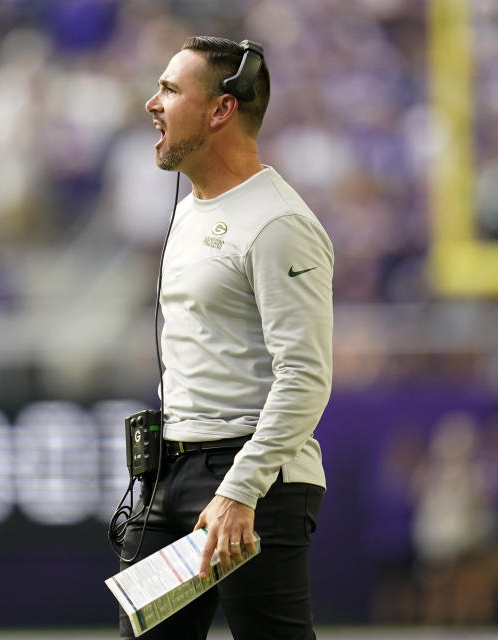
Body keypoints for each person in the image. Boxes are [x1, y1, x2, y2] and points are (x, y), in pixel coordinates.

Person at [118, 36, 334, 639]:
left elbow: (306, 376)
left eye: (169, 89)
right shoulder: (189, 208)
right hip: (173, 468)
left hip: (254, 479)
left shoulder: (280, 223)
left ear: (221, 110)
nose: (150, 103)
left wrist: (240, 491)